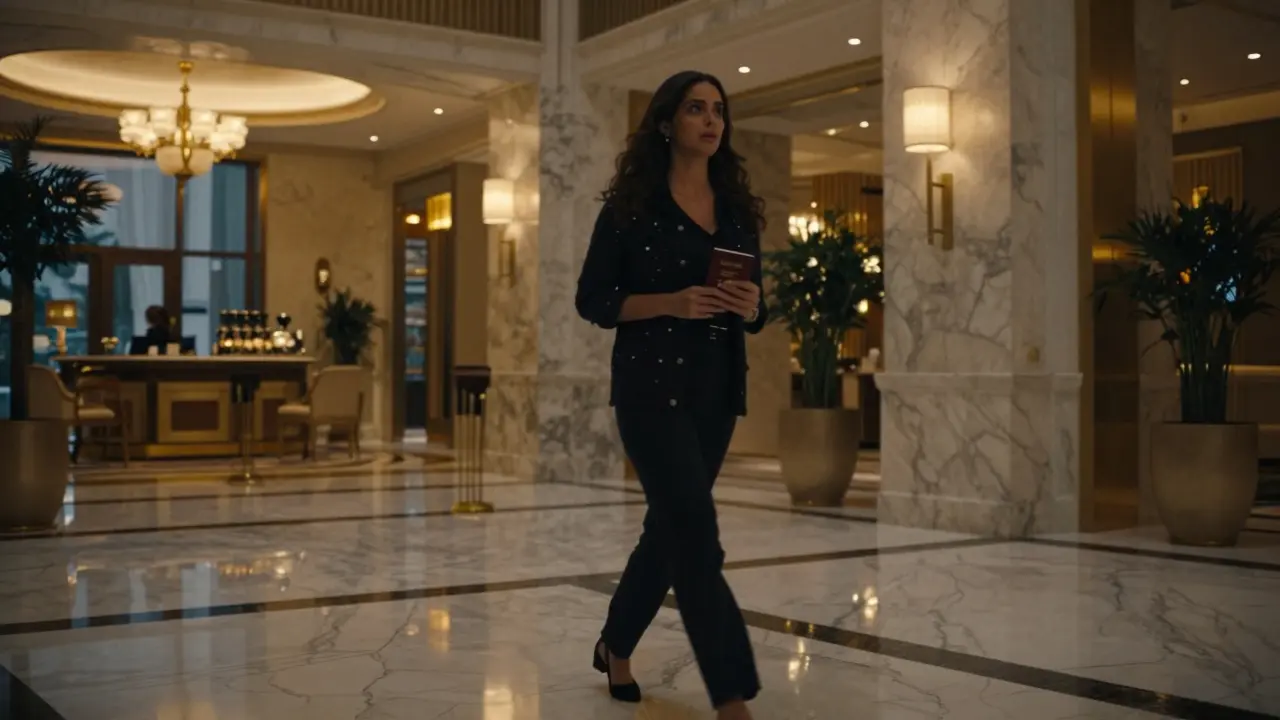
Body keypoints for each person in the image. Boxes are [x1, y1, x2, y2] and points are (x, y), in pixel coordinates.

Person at [575, 70, 766, 720]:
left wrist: (753, 303)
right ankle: (733, 698)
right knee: (696, 534)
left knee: (669, 529)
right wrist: (670, 304)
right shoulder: (630, 210)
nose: (711, 120)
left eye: (718, 110)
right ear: (666, 123)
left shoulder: (737, 211)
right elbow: (593, 300)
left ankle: (615, 643)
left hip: (717, 392)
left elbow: (755, 305)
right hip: (650, 391)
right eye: (695, 109)